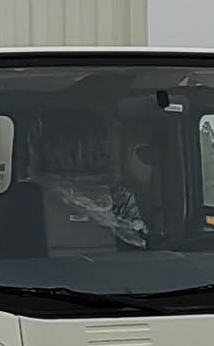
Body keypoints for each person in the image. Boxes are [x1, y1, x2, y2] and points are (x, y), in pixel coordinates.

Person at [26, 107, 147, 252]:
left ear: (42, 147)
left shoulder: (29, 196)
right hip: (115, 273)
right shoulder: (119, 195)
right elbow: (136, 252)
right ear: (103, 145)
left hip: (41, 274)